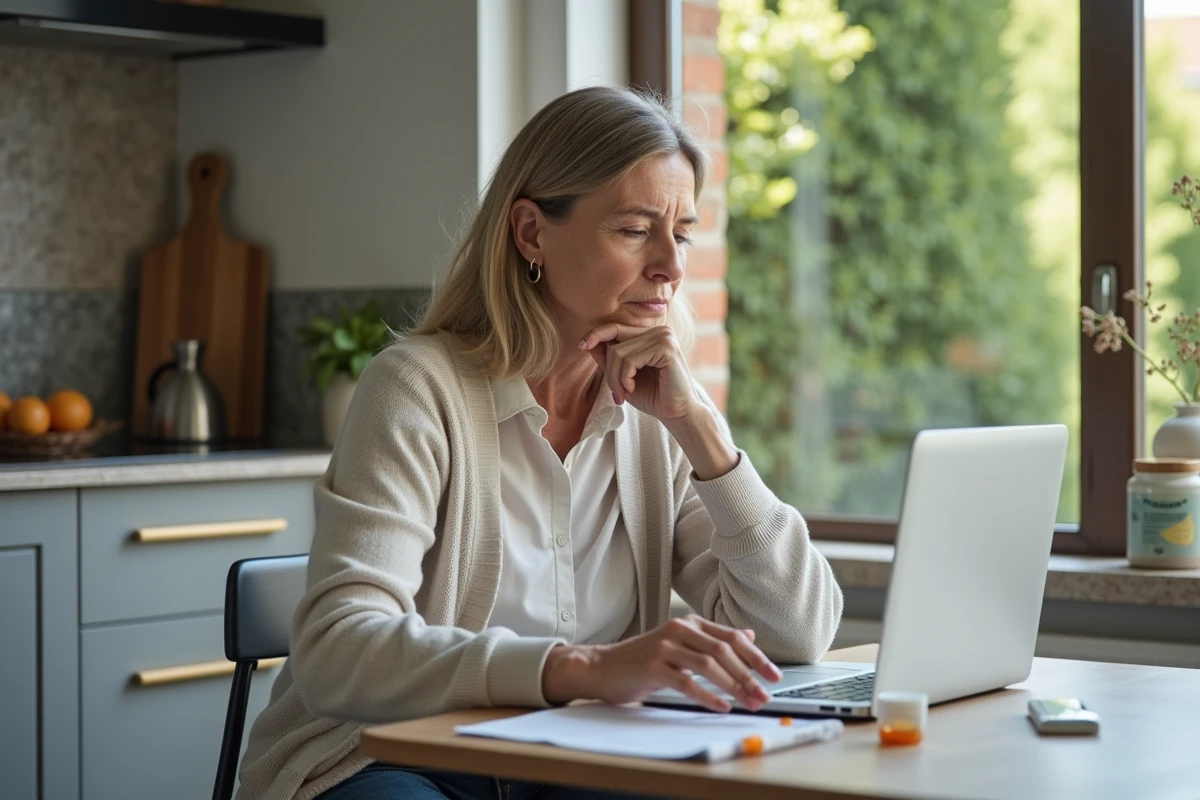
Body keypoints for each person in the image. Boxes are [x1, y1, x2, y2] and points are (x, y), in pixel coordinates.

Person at [235, 85, 843, 800]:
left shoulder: (658, 410)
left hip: (582, 759)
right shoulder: (416, 388)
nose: (670, 267)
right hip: (390, 759)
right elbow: (339, 651)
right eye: (633, 228)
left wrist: (705, 436)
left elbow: (797, 632)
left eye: (680, 232)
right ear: (530, 233)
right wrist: (575, 668)